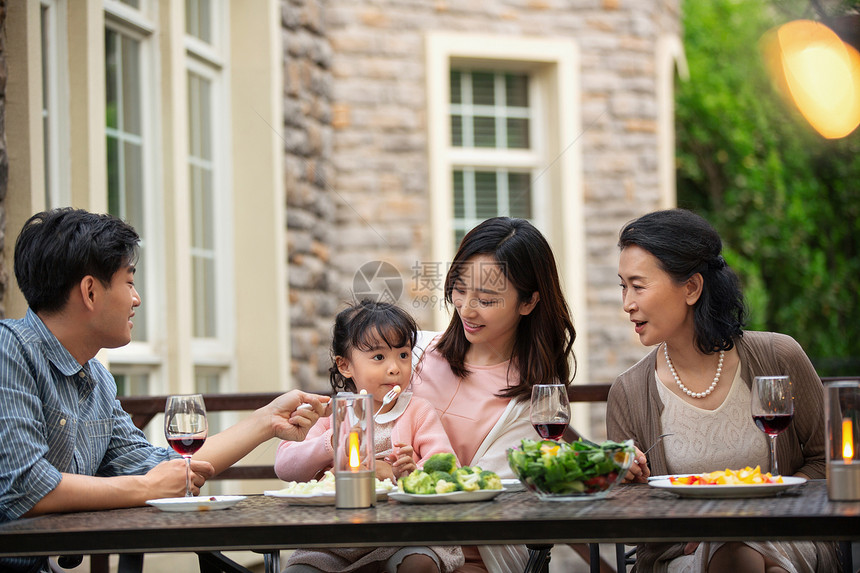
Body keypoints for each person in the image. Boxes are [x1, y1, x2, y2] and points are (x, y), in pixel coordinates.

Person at [0, 208, 330, 573]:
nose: (136, 299)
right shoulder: (9, 351)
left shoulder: (95, 378)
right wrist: (145, 488)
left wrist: (268, 420)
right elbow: (26, 486)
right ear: (90, 291)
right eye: (128, 282)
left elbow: (161, 470)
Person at [607, 208, 838, 572]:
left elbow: (829, 461)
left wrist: (747, 519)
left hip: (786, 535)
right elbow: (632, 517)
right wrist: (625, 478)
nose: (627, 304)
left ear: (692, 287)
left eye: (638, 285)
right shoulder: (629, 391)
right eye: (623, 286)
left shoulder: (779, 357)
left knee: (740, 552)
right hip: (683, 553)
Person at [411, 216, 577, 573]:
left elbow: (503, 499)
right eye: (459, 288)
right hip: (390, 540)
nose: (467, 309)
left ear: (529, 302)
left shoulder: (532, 398)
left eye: (486, 299)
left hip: (474, 556)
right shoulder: (411, 355)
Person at [275, 299, 463, 573]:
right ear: (345, 365)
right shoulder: (331, 414)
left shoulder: (417, 411)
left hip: (406, 537)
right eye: (378, 357)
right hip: (335, 544)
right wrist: (332, 444)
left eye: (403, 355)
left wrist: (408, 472)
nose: (394, 368)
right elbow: (284, 465)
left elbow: (449, 469)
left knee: (419, 564)